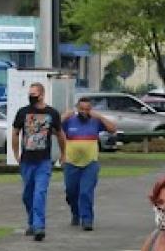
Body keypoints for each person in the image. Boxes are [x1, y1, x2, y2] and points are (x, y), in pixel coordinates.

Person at [9, 82, 66, 241]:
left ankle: (39, 226)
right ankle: (32, 222)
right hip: (27, 160)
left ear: (42, 94)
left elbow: (60, 135)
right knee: (28, 195)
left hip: (43, 160)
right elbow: (15, 133)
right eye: (30, 94)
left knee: (39, 192)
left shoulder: (52, 113)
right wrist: (16, 153)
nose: (31, 97)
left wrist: (63, 154)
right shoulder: (23, 112)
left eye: (34, 94)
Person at [61, 96, 115, 231]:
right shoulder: (69, 121)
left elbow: (112, 129)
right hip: (71, 162)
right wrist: (63, 117)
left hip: (90, 163)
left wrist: (100, 117)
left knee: (86, 192)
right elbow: (51, 128)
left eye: (87, 109)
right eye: (82, 109)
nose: (84, 112)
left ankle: (87, 220)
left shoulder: (95, 121)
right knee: (71, 191)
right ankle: (75, 213)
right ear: (77, 109)